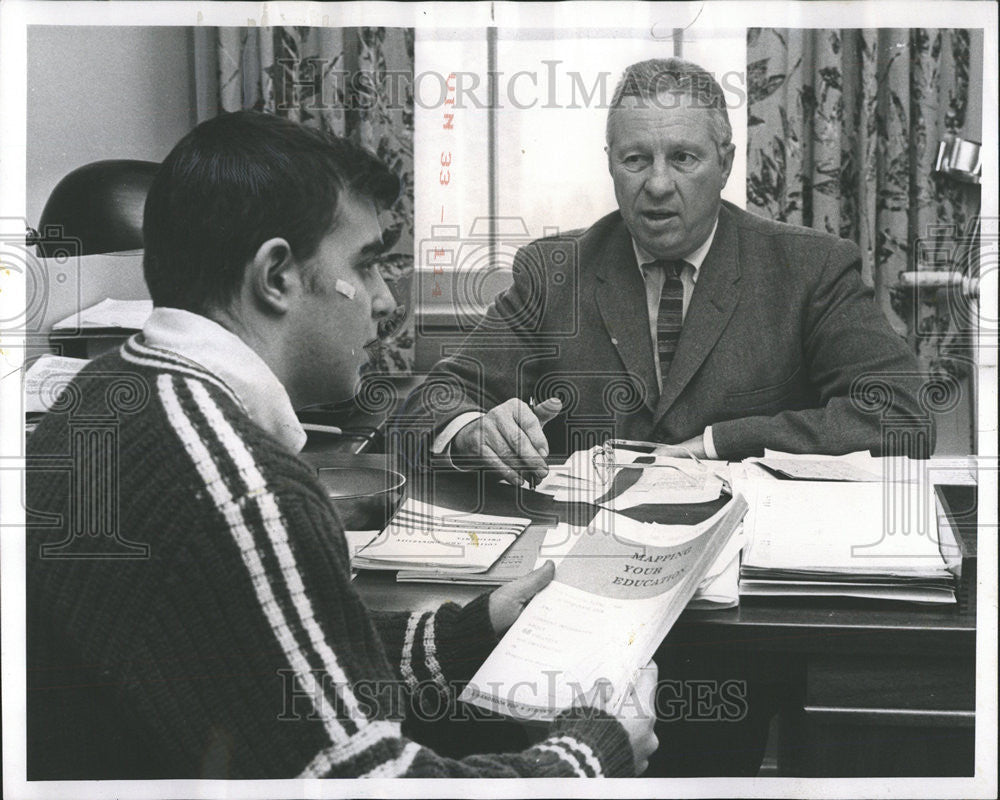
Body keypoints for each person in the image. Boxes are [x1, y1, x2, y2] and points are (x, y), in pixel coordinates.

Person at [25, 111, 658, 779]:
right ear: (277, 277)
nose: (386, 299)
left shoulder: (107, 391)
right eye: (367, 264)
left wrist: (472, 632)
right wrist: (593, 749)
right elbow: (372, 785)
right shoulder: (244, 488)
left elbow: (273, 658)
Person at [405, 57, 932, 488]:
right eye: (636, 159)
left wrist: (717, 443)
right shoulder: (554, 272)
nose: (657, 184)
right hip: (590, 556)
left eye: (683, 158)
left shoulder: (810, 267)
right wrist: (472, 428)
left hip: (750, 559)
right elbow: (429, 403)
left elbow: (902, 416)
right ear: (610, 163)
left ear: (725, 163)